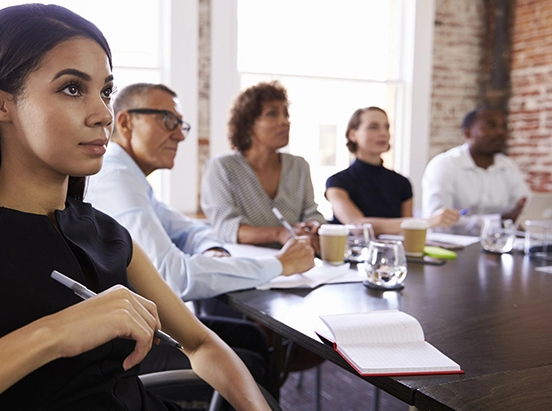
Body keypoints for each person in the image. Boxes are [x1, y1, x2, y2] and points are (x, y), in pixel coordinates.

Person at [0, 5, 271, 411]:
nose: (102, 114)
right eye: (73, 88)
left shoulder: (109, 235)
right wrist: (52, 335)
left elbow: (201, 344)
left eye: (106, 91)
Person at [85, 82, 316, 382]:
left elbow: (191, 229)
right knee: (249, 362)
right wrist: (281, 265)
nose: (180, 134)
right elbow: (174, 277)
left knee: (253, 338)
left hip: (144, 323)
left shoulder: (131, 177)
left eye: (181, 124)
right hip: (125, 345)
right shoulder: (116, 178)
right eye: (168, 120)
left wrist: (209, 249)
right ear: (127, 122)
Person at [201, 81, 326, 251]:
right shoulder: (222, 167)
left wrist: (315, 226)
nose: (284, 122)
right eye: (272, 114)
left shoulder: (299, 166)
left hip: (298, 263)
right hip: (244, 265)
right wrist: (279, 234)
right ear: (248, 125)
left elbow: (311, 212)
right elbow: (226, 227)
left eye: (286, 114)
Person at [325, 106, 459, 235]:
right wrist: (426, 221)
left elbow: (409, 233)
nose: (383, 133)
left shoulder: (402, 183)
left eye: (386, 127)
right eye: (373, 127)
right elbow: (357, 226)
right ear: (352, 134)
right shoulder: (337, 182)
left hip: (394, 256)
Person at [422, 106, 531, 235]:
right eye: (491, 126)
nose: (501, 132)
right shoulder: (444, 165)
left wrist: (510, 218)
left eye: (504, 127)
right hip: (454, 249)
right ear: (467, 133)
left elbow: (525, 210)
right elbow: (437, 222)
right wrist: (499, 221)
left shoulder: (508, 166)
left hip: (499, 245)